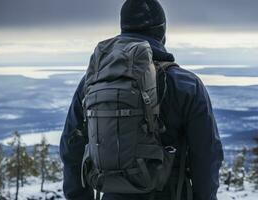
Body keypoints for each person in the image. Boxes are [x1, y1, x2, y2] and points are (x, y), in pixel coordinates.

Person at [59, 0, 224, 200]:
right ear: (162, 32)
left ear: (123, 29)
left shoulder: (92, 82)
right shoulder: (186, 84)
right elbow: (206, 156)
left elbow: (71, 147)